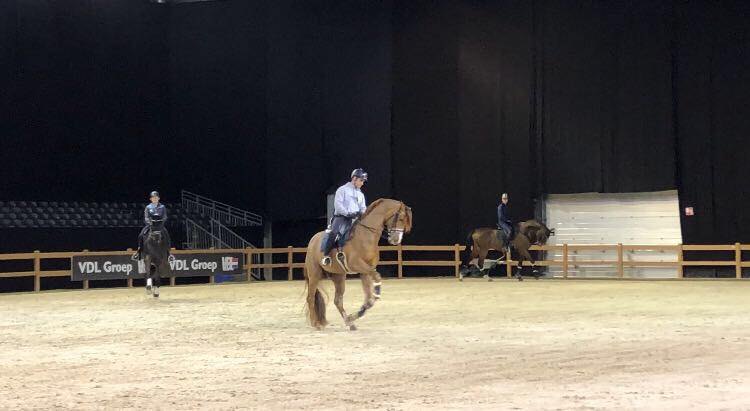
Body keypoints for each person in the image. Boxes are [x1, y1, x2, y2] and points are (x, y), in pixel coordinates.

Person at [320, 168, 368, 266]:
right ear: (354, 178)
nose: (362, 183)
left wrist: (361, 213)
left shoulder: (360, 194)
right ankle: (326, 256)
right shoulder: (342, 190)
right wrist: (347, 213)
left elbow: (363, 207)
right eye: (361, 180)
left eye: (363, 181)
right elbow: (338, 205)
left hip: (356, 218)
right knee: (334, 233)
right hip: (341, 217)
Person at [131, 191, 171, 261]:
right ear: (151, 199)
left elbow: (165, 216)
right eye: (153, 198)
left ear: (159, 198)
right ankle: (139, 252)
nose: (154, 199)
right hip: (150, 225)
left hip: (159, 225)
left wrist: (161, 221)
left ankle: (169, 254)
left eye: (156, 197)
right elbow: (146, 217)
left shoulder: (162, 207)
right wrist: (149, 222)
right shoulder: (148, 207)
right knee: (141, 235)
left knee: (167, 235)